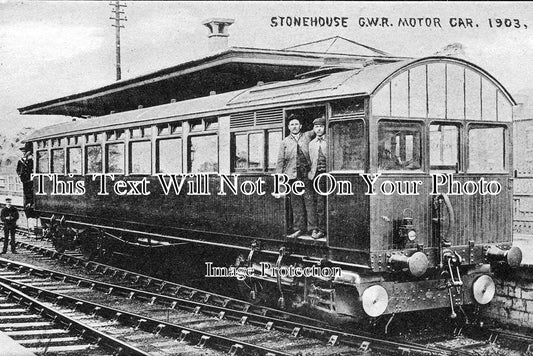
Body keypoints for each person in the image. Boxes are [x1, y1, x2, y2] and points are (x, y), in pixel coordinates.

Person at [276, 116, 315, 238]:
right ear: (288, 127)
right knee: (296, 204)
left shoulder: (307, 136)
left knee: (310, 202)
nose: (294, 126)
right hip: (292, 176)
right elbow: (280, 161)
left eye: (296, 124)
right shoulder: (285, 142)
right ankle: (299, 229)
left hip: (307, 175)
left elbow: (318, 127)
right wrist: (279, 179)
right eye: (292, 124)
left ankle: (313, 228)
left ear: (301, 126)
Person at [308, 116, 327, 240]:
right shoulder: (311, 143)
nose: (319, 129)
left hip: (327, 175)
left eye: (320, 126)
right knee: (317, 203)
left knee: (324, 203)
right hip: (316, 176)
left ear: (324, 127)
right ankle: (318, 228)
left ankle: (323, 229)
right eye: (316, 127)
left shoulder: (329, 141)